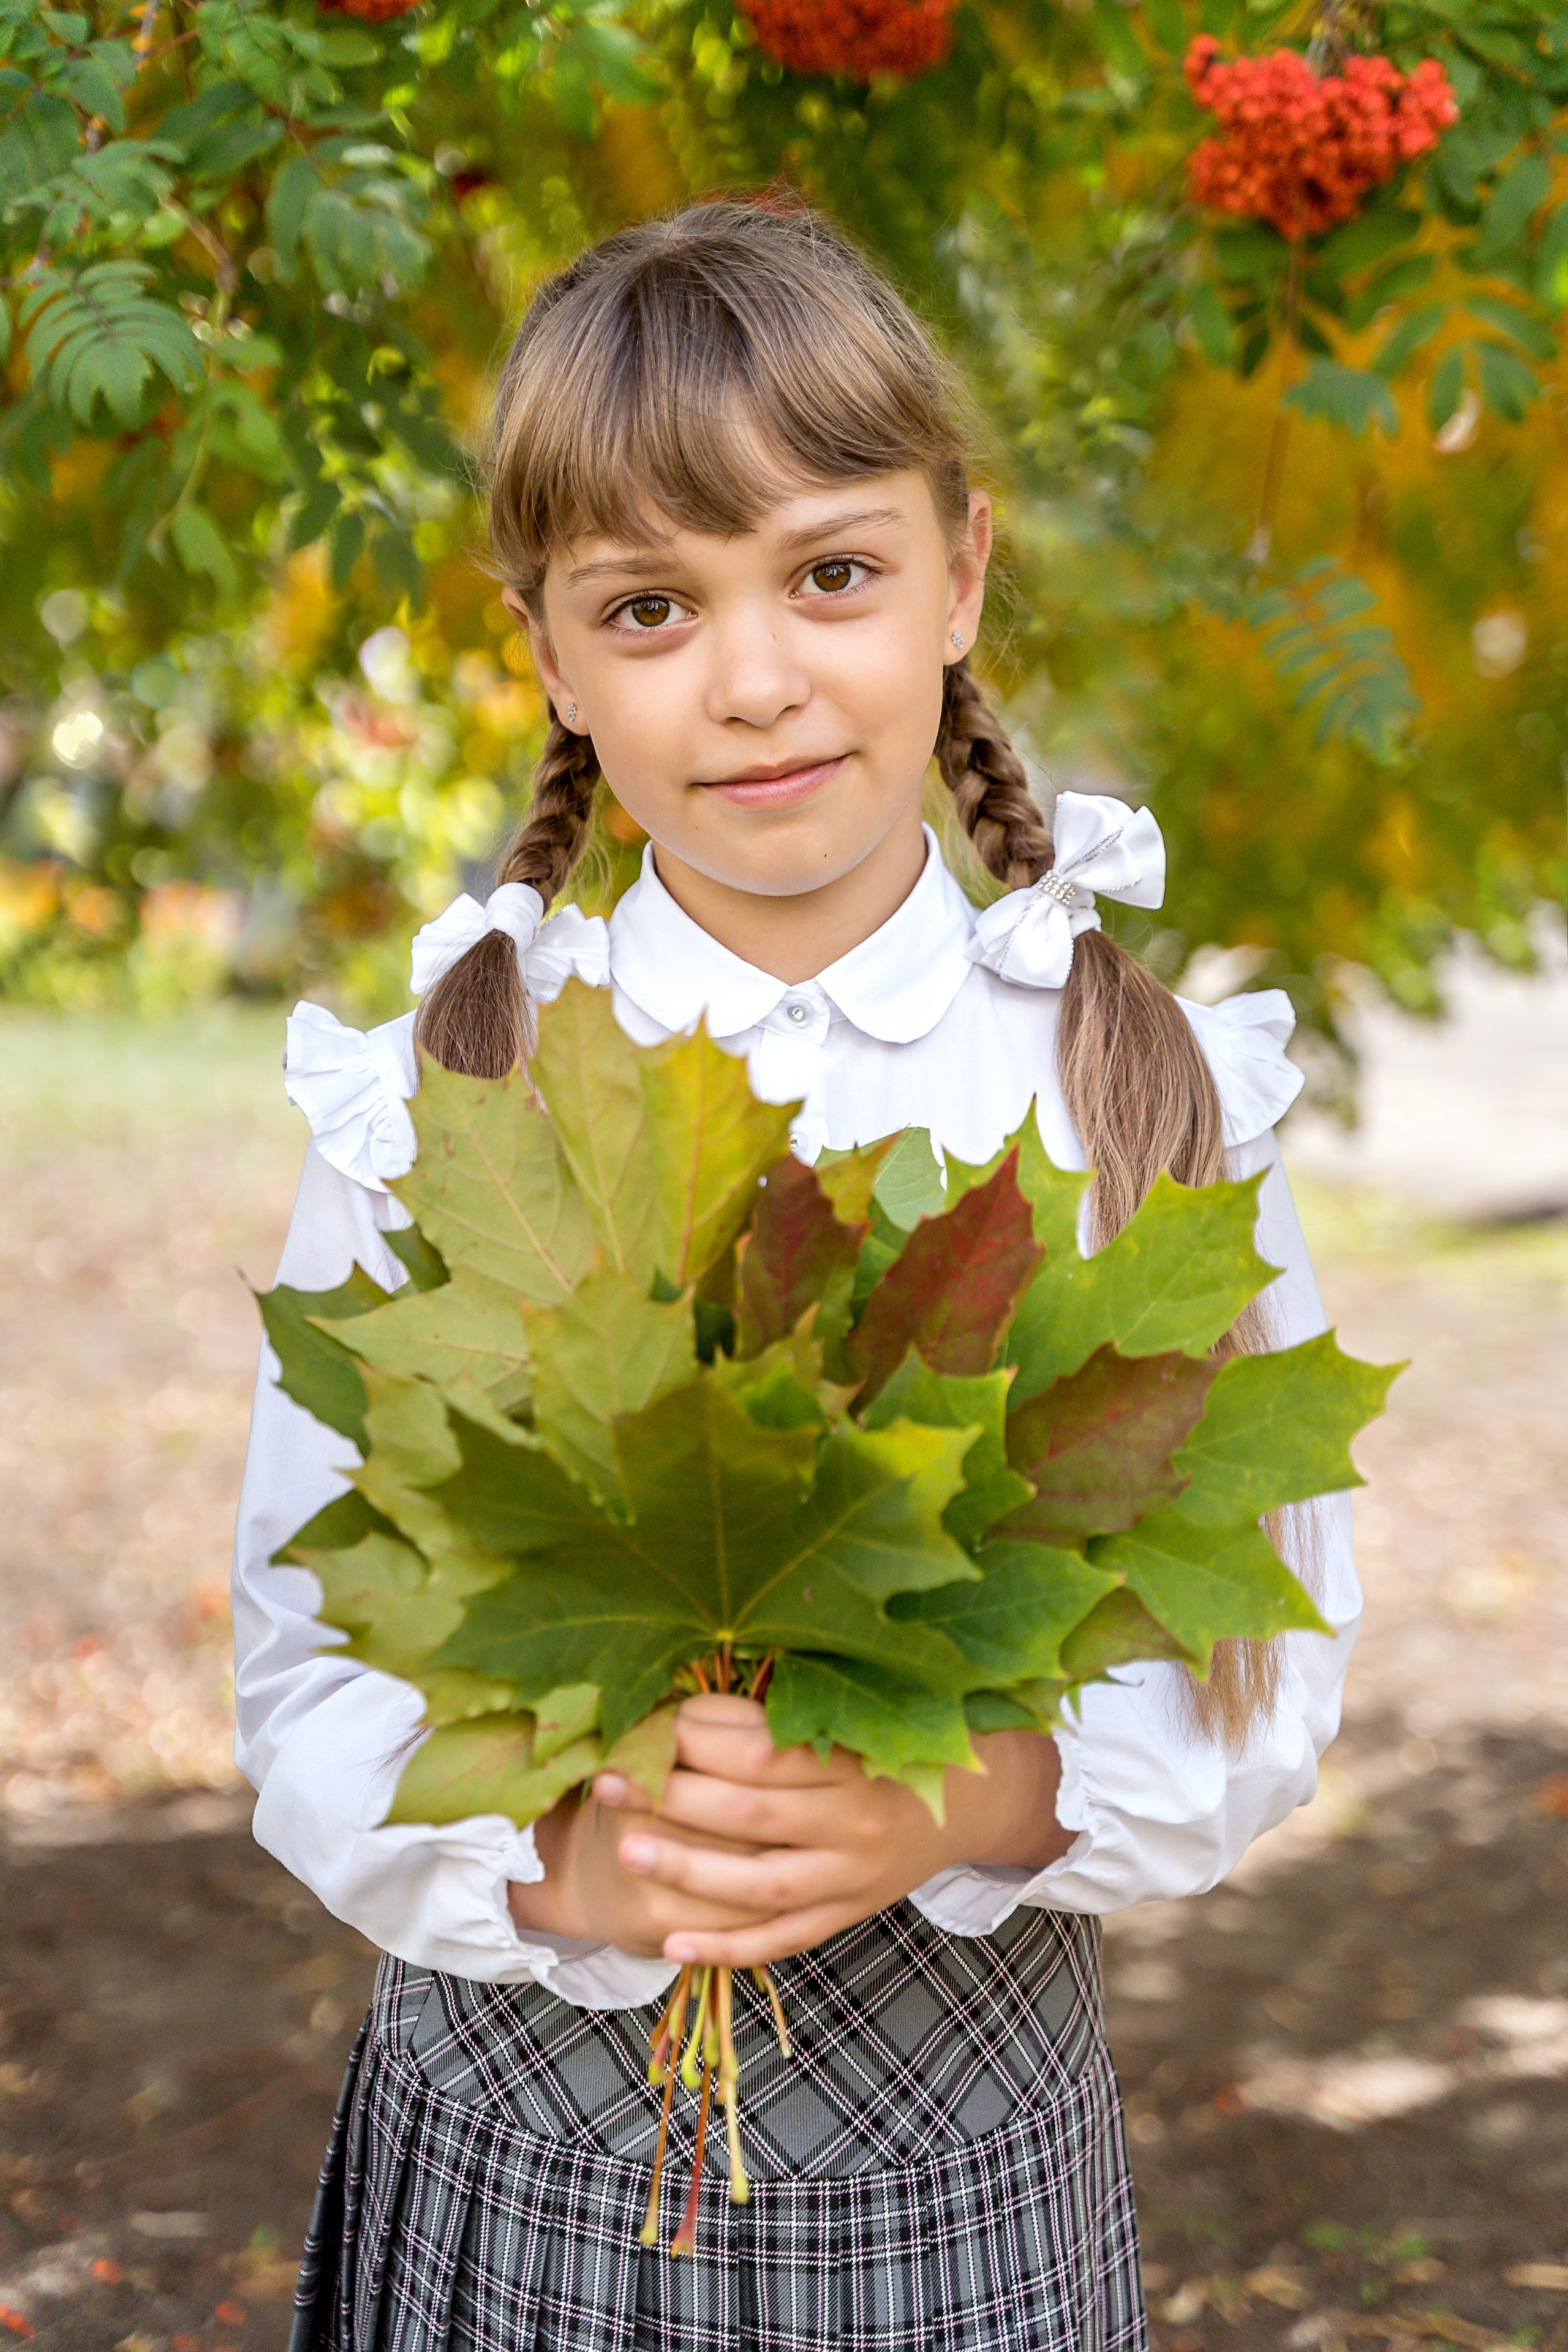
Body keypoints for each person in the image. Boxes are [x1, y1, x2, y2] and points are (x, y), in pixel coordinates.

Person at [233, 200, 1360, 2352]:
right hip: (516, 2167)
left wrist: (952, 1799)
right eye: (650, 606)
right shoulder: (448, 1092)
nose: (753, 681)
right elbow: (305, 1670)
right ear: (551, 657)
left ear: (960, 569)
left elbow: (1257, 1674)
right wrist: (583, 1863)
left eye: (829, 572)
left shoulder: (1142, 1093)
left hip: (967, 2185)